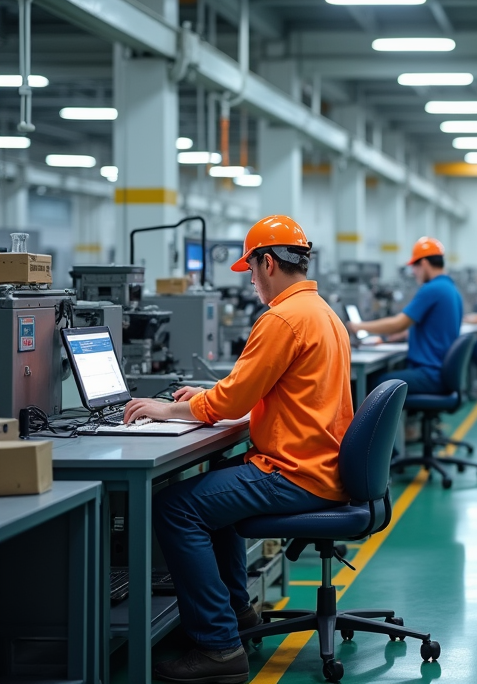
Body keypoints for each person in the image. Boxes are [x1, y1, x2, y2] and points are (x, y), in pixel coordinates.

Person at [122, 215, 353, 684]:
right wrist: (208, 401)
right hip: (319, 462)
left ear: (268, 263)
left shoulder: (283, 318)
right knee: (215, 489)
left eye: (250, 270)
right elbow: (282, 394)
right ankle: (236, 613)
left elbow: (231, 399)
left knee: (175, 508)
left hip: (296, 472)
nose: (250, 281)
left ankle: (219, 647)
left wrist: (169, 410)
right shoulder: (323, 313)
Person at [347, 236, 462, 395]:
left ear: (423, 263)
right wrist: (386, 339)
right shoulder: (452, 290)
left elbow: (399, 323)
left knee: (371, 383)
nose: (413, 272)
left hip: (429, 374)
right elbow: (432, 330)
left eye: (414, 267)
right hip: (439, 371)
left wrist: (358, 326)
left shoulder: (432, 289)